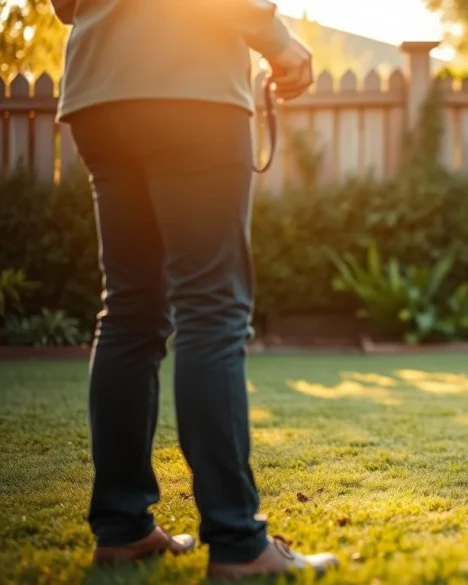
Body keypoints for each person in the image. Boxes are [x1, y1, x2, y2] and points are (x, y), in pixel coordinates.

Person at [51, 0, 338, 578]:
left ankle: (122, 526)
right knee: (211, 309)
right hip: (191, 89)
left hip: (98, 89)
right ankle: (236, 541)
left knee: (129, 311)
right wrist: (273, 38)